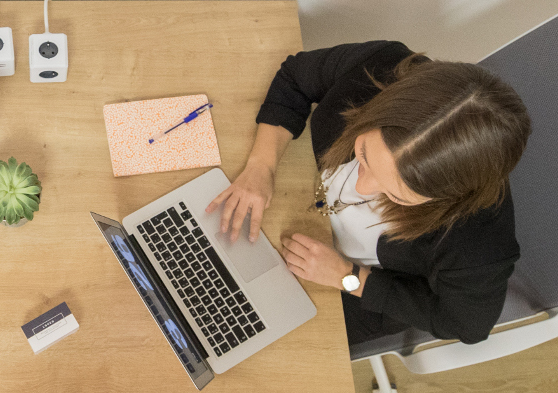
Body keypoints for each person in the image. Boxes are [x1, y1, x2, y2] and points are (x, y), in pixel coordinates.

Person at [207, 41, 531, 347]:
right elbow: (295, 77)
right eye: (363, 155)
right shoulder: (379, 67)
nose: (362, 188)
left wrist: (350, 278)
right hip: (305, 212)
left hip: (356, 291)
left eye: (397, 196)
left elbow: (466, 325)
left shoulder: (477, 239)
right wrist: (261, 166)